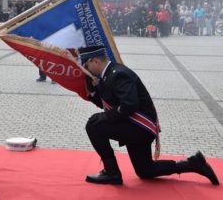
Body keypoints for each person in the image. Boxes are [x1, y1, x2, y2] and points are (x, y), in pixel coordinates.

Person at [79, 45, 219, 185]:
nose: (85, 69)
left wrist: (103, 117)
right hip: (135, 126)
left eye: (86, 65)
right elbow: (108, 104)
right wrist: (92, 90)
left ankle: (111, 172)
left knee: (93, 125)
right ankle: (192, 164)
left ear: (95, 61)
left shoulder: (118, 74)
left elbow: (129, 105)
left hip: (140, 127)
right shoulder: (108, 74)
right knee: (145, 170)